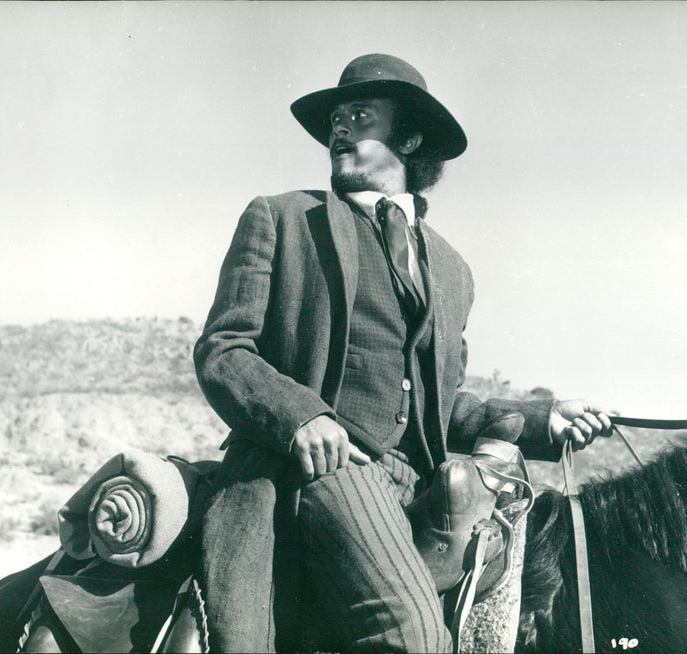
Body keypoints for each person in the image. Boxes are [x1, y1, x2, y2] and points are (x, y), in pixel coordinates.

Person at [194, 53, 612, 653]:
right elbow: (223, 349)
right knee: (414, 636)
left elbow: (440, 408)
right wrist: (301, 415)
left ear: (410, 137)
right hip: (323, 471)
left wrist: (544, 418)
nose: (338, 129)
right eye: (335, 119)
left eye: (358, 116)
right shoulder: (284, 217)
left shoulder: (451, 267)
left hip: (422, 481)